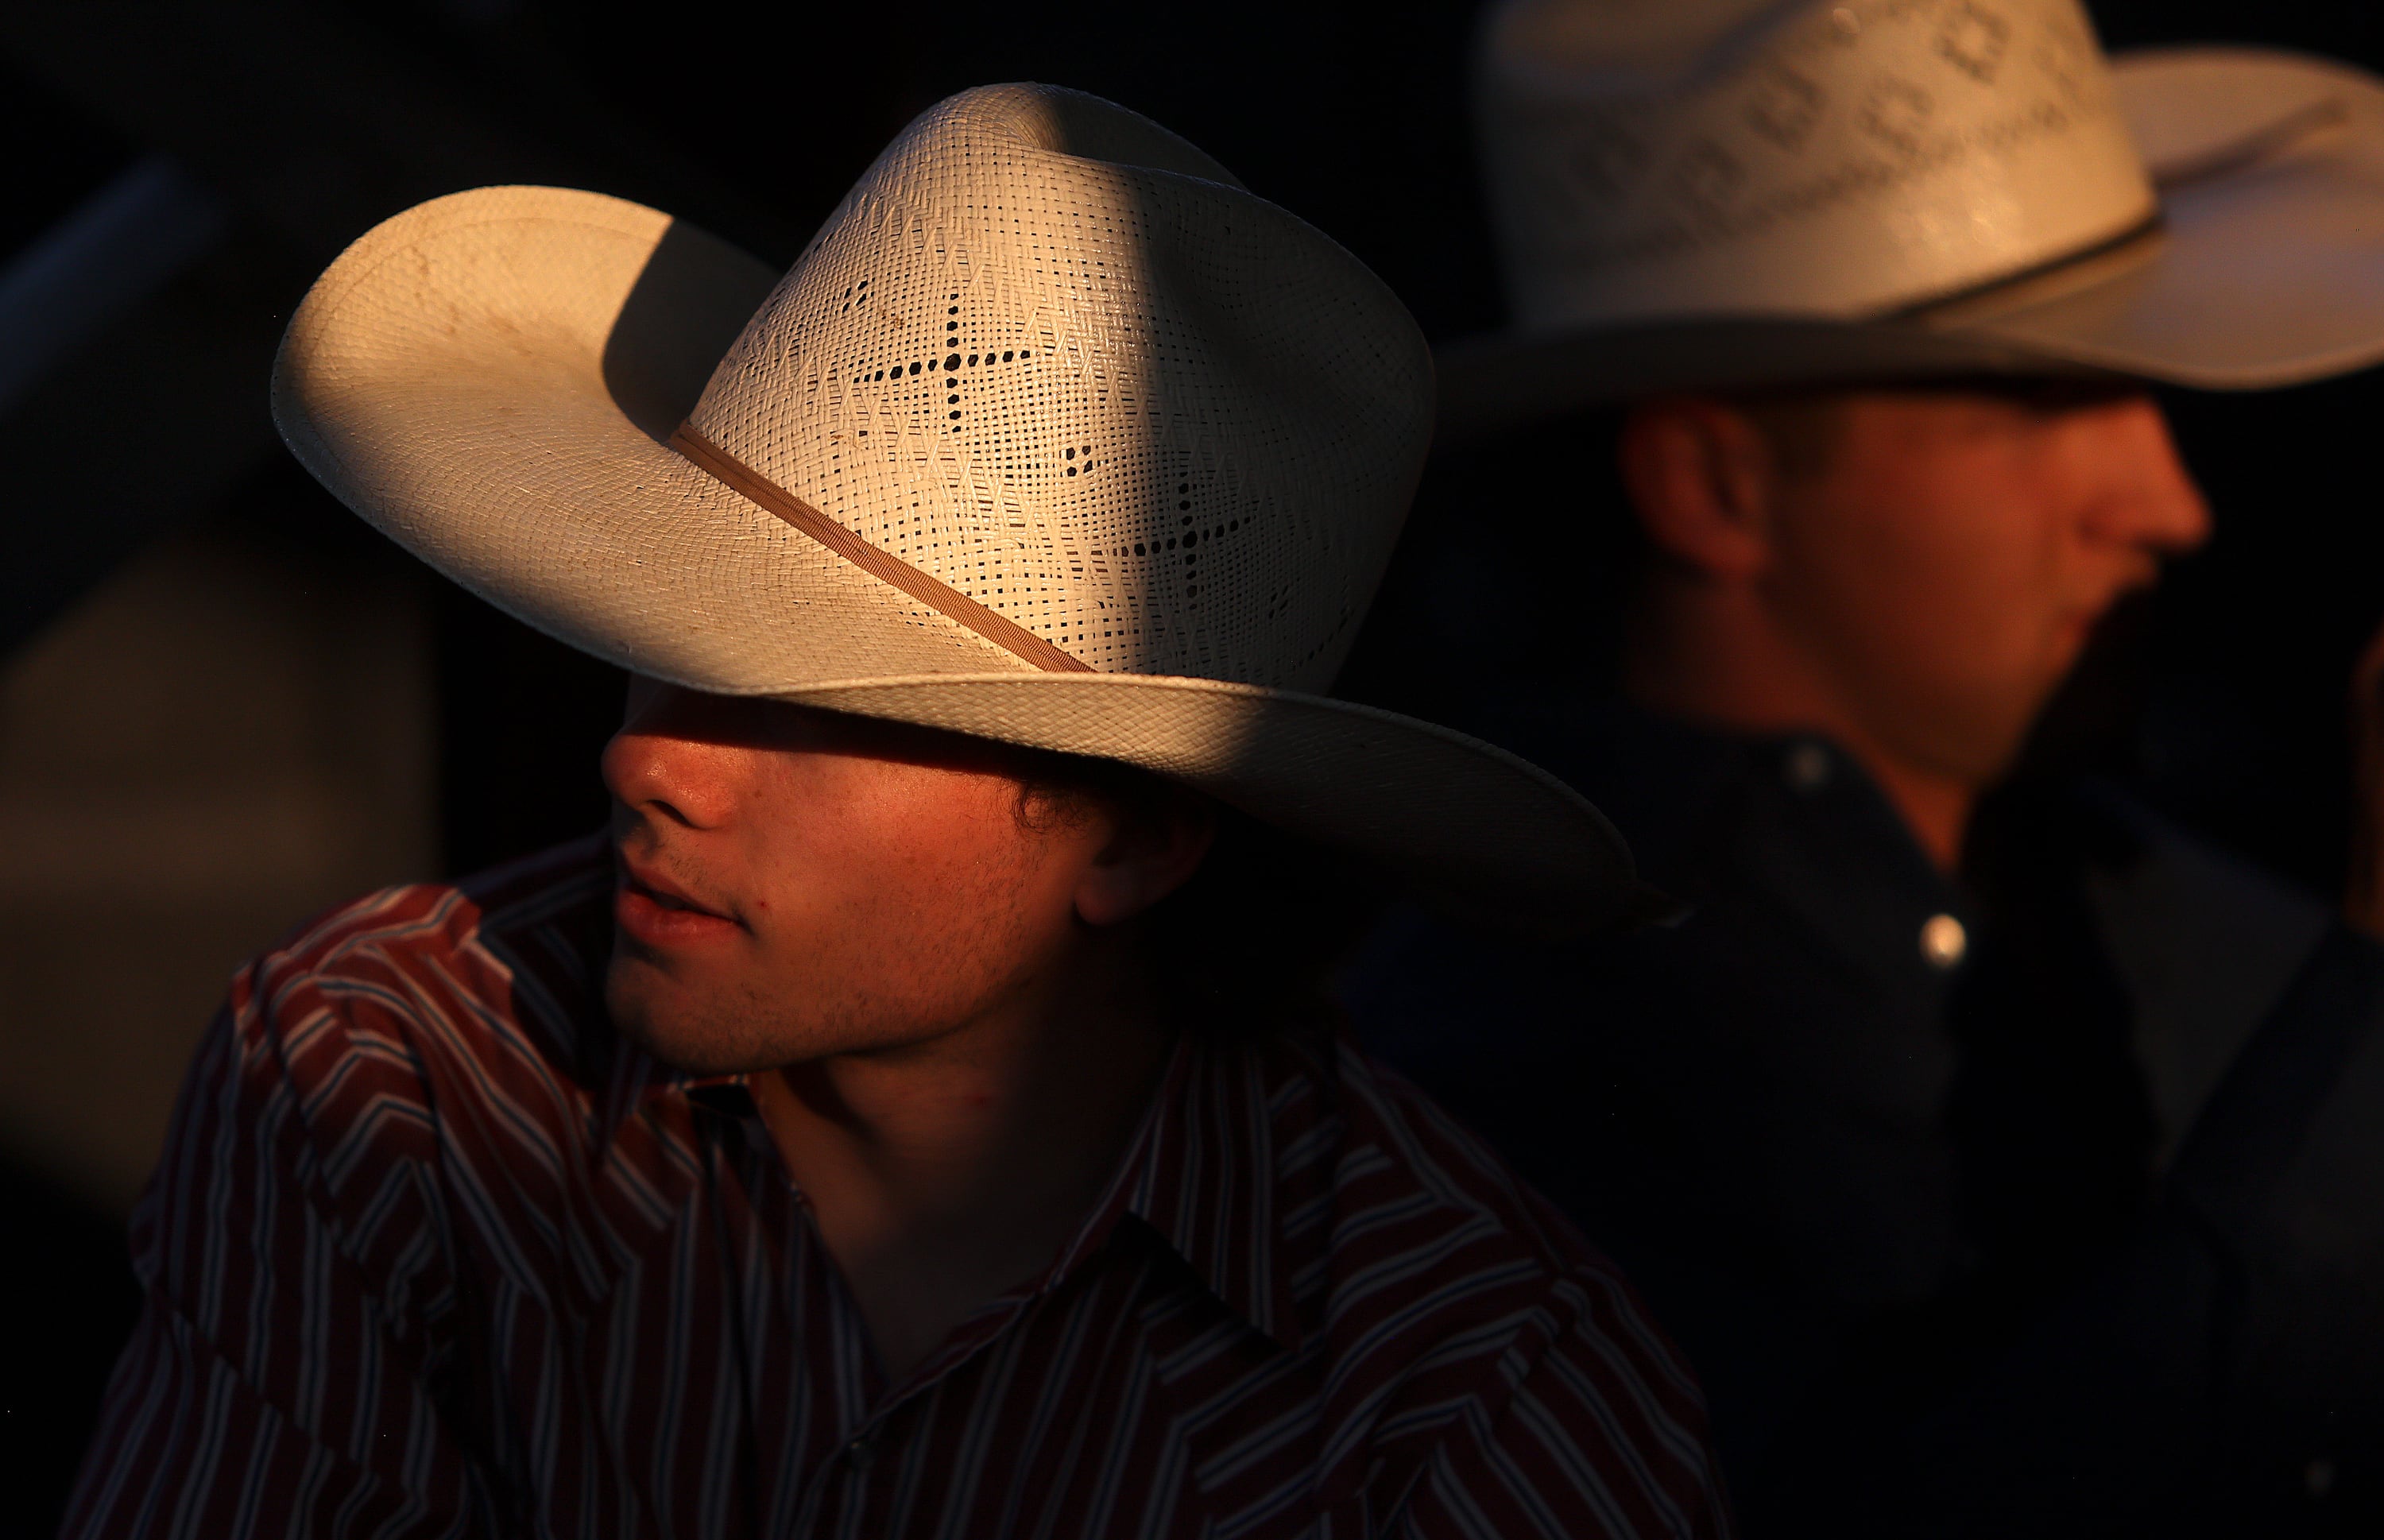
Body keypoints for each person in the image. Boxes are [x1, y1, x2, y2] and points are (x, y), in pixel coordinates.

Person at [62, 86, 1729, 1538]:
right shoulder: (399, 1073)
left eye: (824, 709)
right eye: (659, 638)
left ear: (1136, 836)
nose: (650, 760)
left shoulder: (1466, 1396)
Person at [1345, 2, 2384, 1534]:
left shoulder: (2202, 927)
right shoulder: (1470, 1088)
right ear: (1714, 485)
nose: (2168, 503)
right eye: (2042, 397)